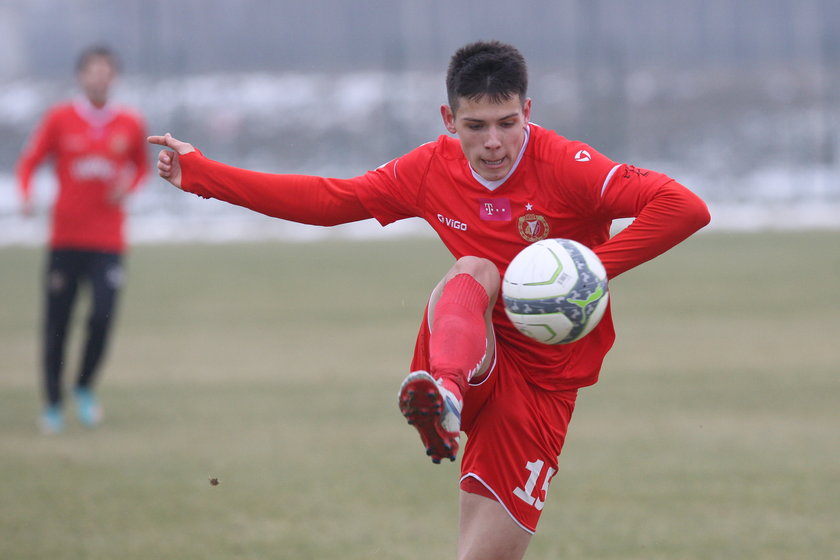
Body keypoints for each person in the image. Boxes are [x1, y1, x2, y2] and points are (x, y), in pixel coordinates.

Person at [149, 41, 710, 559]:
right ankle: (442, 396)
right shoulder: (428, 169)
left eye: (508, 123)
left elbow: (683, 206)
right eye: (476, 125)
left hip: (545, 384)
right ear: (449, 120)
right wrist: (203, 175)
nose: (494, 141)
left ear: (528, 112)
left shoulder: (566, 165)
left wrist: (589, 272)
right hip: (468, 352)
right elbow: (330, 201)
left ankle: (449, 401)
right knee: (474, 269)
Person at [16, 45, 148, 434]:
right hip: (66, 239)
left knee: (104, 316)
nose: (99, 77)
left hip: (108, 241)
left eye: (106, 71)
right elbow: (29, 161)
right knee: (57, 323)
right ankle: (53, 404)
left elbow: (140, 167)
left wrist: (129, 186)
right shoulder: (60, 118)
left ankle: (84, 387)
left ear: (115, 77)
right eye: (92, 70)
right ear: (81, 76)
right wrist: (26, 194)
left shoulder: (130, 121)